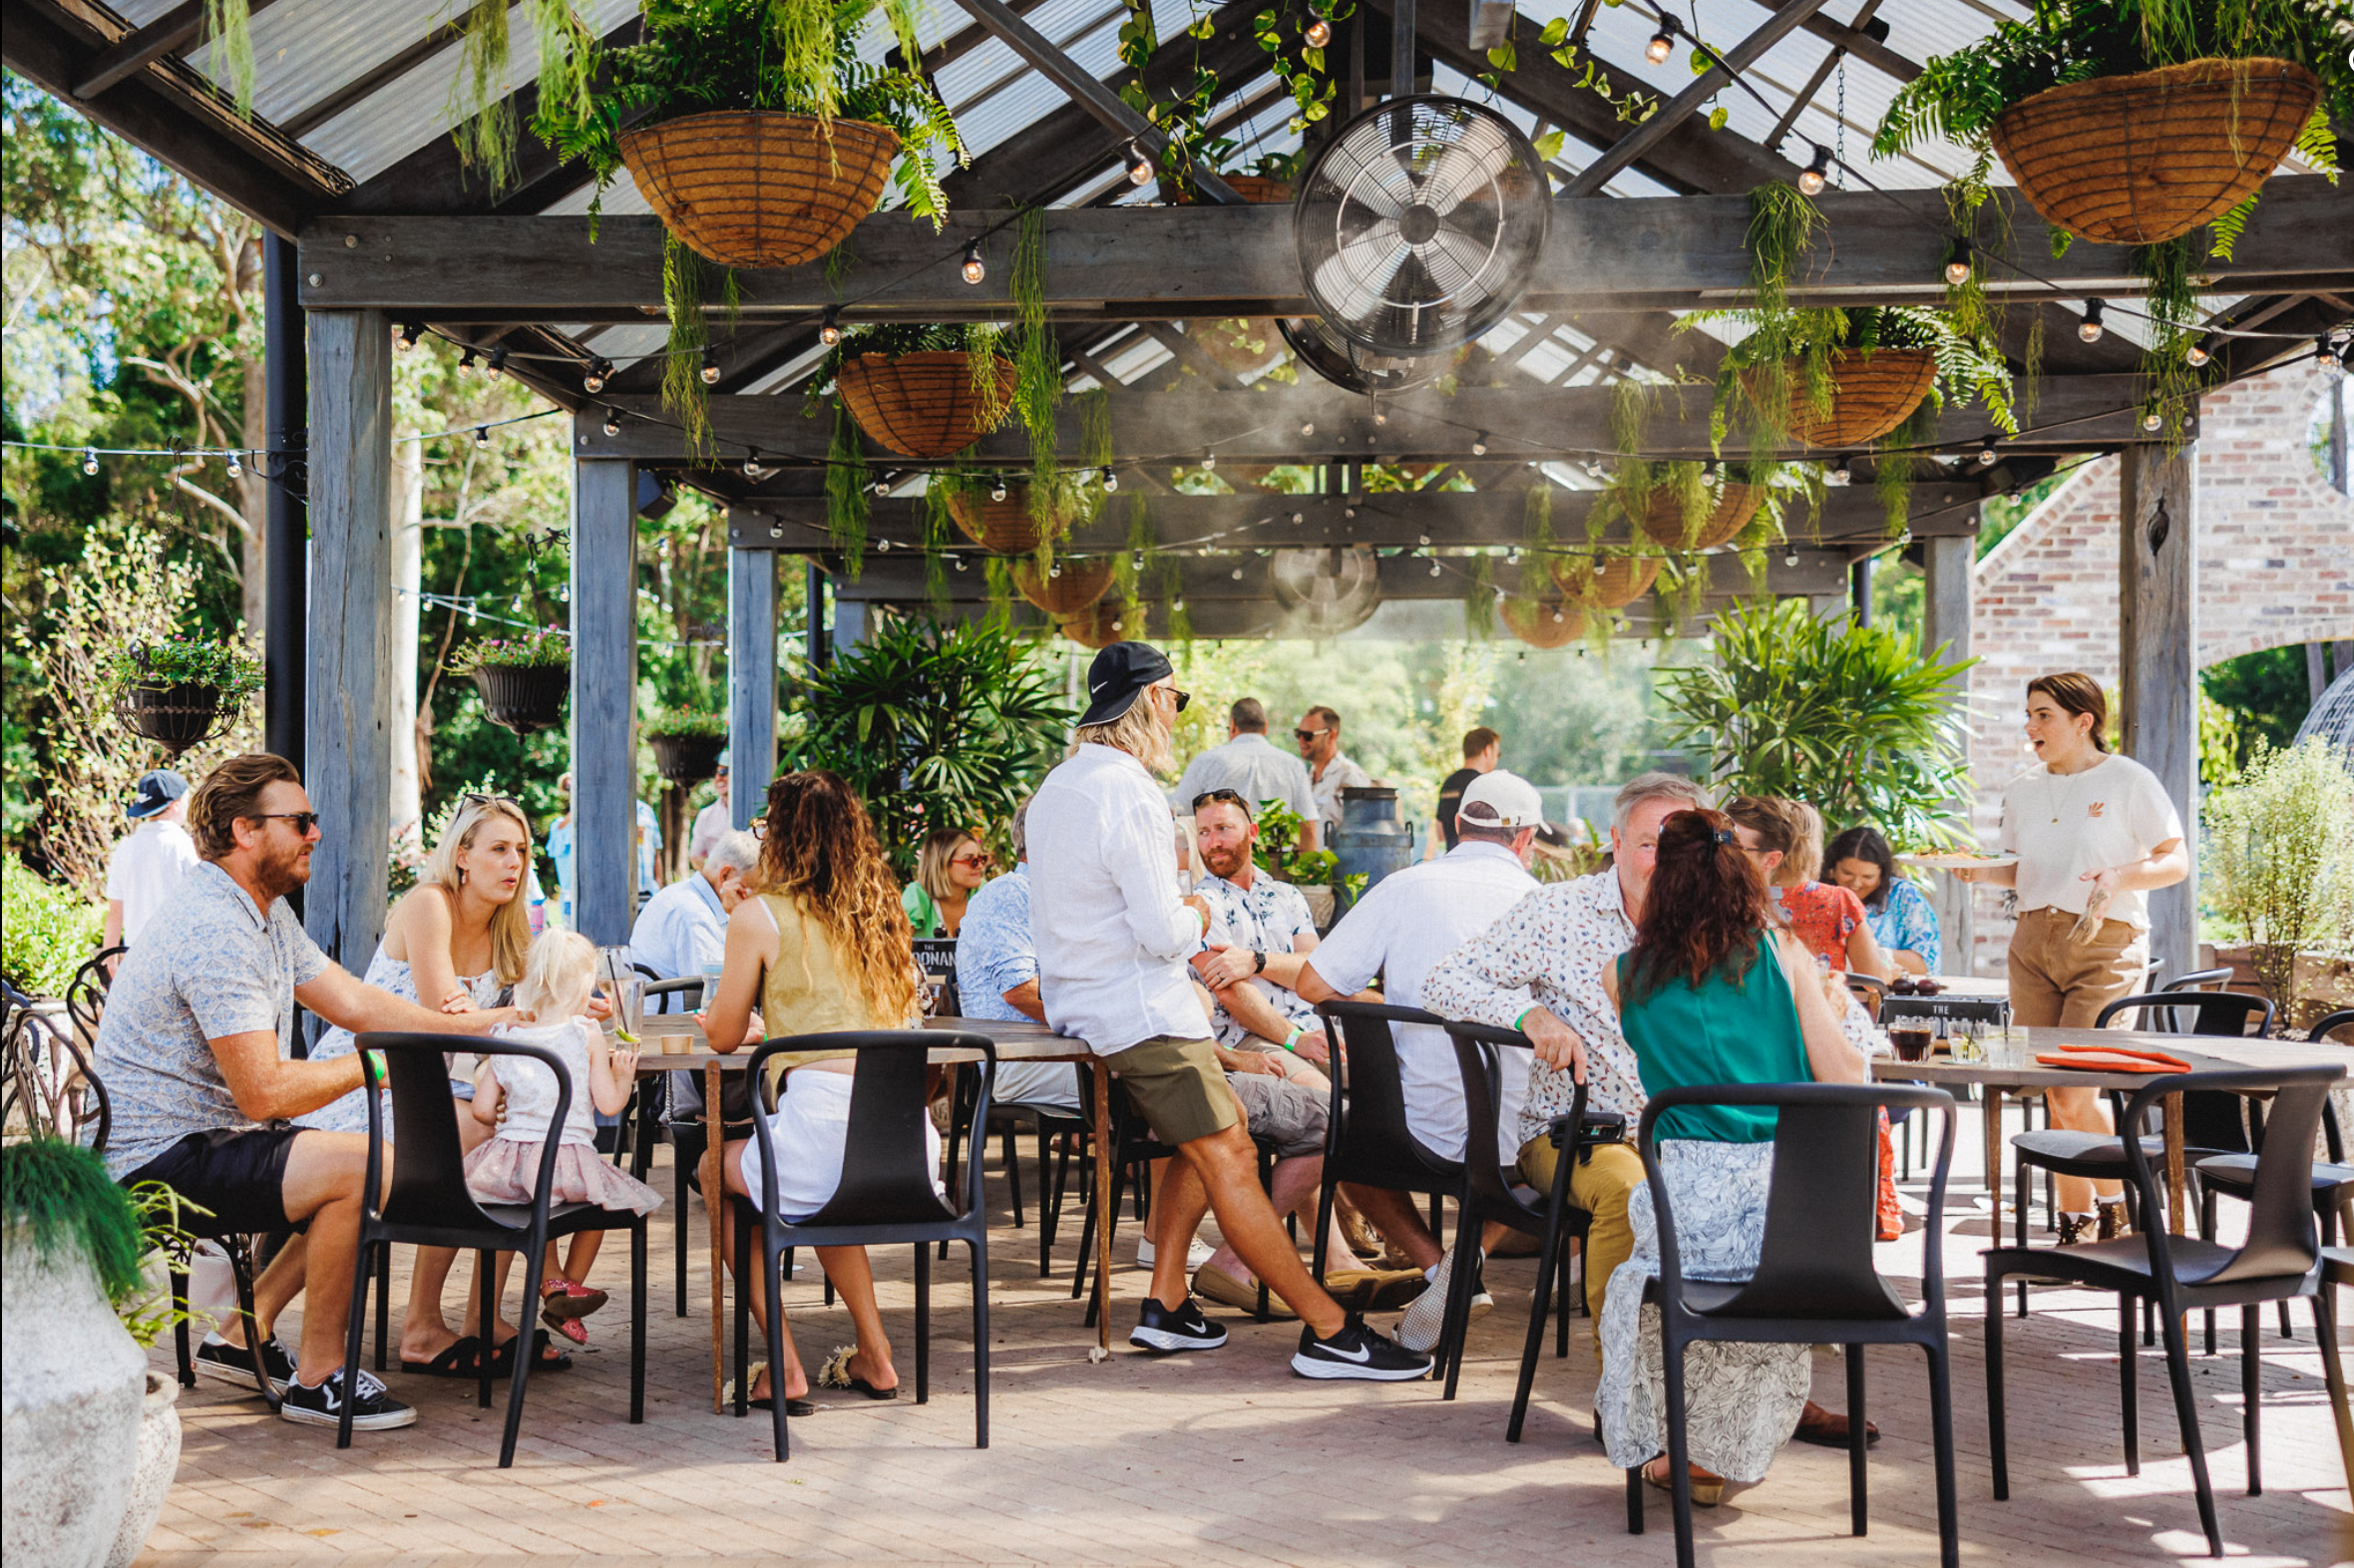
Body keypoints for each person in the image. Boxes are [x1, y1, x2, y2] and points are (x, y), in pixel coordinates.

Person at [1028, 641, 1429, 1377]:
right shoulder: (1132, 791)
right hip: (1140, 1014)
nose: (1176, 715)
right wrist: (1197, 915)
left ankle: (1167, 1304)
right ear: (1150, 701)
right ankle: (1331, 1331)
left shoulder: (1062, 785)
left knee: (1222, 1133)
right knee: (1231, 1154)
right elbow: (1161, 930)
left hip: (1088, 1004)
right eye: (1175, 700)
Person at [93, 753, 513, 1430]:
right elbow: (264, 1093)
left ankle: (242, 1339)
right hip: (157, 1160)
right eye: (301, 821)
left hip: (205, 1138)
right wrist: (373, 1068)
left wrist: (473, 1023)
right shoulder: (217, 926)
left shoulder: (260, 911)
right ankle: (318, 1380)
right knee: (359, 1164)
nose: (317, 833)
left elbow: (353, 1000)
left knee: (354, 1157)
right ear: (245, 832)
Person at [1593, 806, 1869, 1506]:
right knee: (1754, 1295)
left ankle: (1683, 1450)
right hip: (1791, 1211)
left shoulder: (1621, 975)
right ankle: (1730, 1452)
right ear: (1742, 876)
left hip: (1680, 1201)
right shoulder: (1782, 953)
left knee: (1655, 1293)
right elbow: (1846, 1082)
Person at [294, 791, 570, 1378]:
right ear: (462, 856)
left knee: (518, 1126)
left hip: (440, 1090)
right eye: (498, 849)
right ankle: (422, 1325)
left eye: (521, 850)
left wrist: (568, 1006)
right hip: (367, 1085)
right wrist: (513, 1016)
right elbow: (441, 1020)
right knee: (471, 1130)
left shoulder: (508, 926)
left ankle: (481, 1318)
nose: (514, 862)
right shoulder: (429, 904)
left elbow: (508, 1015)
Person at [702, 769, 929, 1412]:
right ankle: (875, 1355)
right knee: (823, 1188)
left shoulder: (757, 915)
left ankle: (786, 1365)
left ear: (783, 837)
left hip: (822, 1128)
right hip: (907, 1145)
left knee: (714, 1170)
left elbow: (720, 1036)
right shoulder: (879, 914)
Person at [1297, 769, 1545, 1346]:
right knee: (1548, 1149)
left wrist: (1382, 1004)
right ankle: (1462, 1268)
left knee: (1351, 1143)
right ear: (1528, 839)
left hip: (1412, 1135)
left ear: (1456, 825)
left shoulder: (1406, 886)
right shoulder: (1545, 905)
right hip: (1519, 1147)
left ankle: (1442, 1269)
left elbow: (1312, 985)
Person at [1953, 671, 2187, 1244]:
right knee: (2053, 1088)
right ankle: (2082, 1220)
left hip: (2104, 941)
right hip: (2032, 941)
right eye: (2028, 714)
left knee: (2073, 1090)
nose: (2030, 726)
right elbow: (2018, 867)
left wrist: (2121, 875)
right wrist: (1974, 870)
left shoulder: (2129, 780)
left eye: (2043, 715)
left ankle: (2116, 1203)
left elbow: (2174, 860)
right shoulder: (2024, 788)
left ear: (2083, 722)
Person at [465, 931, 662, 1347]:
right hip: (567, 1160)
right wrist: (624, 1075)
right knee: (614, 1199)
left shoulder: (506, 1037)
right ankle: (568, 1286)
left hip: (510, 1166)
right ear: (584, 986)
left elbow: (482, 1111)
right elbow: (609, 1105)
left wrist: (508, 1111)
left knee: (539, 1200)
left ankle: (558, 1290)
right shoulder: (584, 1032)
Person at [629, 828, 763, 1161]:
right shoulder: (694, 915)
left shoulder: (684, 896)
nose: (755, 902)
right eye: (752, 892)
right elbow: (716, 996)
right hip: (675, 1069)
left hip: (673, 1045)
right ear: (726, 876)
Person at [1187, 790, 1336, 1087]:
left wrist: (1255, 962)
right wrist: (1295, 1039)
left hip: (1313, 1027)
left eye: (1223, 829)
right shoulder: (1201, 905)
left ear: (1252, 832)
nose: (1212, 842)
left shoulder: (1287, 895)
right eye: (1203, 832)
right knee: (1328, 1102)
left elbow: (1315, 973)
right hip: (1250, 1037)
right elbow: (1230, 992)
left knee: (1388, 1089)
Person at [1724, 796, 1892, 981]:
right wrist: (1884, 958)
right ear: (1813, 846)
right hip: (1824, 1003)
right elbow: (1872, 979)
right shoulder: (1838, 901)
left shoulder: (1738, 897)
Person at [1170, 697, 1320, 852]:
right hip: (1278, 867)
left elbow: (1178, 815)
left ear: (1233, 725)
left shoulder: (1206, 761)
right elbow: (1308, 826)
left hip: (1220, 864)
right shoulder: (1293, 765)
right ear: (1265, 727)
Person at [104, 768, 199, 957]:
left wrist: (109, 959)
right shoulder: (186, 847)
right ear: (175, 805)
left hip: (136, 958)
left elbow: (115, 912)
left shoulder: (125, 849)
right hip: (178, 957)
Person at [547, 773, 664, 925]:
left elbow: (656, 851)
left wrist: (658, 884)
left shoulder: (645, 811)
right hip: (586, 898)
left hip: (647, 892)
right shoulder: (565, 824)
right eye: (570, 788)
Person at [1827, 825, 1940, 977]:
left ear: (1882, 874)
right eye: (1847, 873)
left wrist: (1879, 954)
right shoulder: (1816, 895)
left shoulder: (1903, 896)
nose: (1856, 883)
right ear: (1832, 867)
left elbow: (1927, 964)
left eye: (1867, 877)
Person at [1296, 704, 1373, 840]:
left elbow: (1366, 830)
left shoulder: (1349, 775)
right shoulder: (1306, 777)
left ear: (1331, 735)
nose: (1301, 740)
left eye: (1308, 736)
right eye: (1298, 734)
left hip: (1339, 860)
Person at [903, 826, 992, 938]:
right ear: (942, 865)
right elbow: (898, 949)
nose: (980, 866)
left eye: (981, 859)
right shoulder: (917, 895)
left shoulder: (983, 892)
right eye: (970, 860)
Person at [1431, 727, 1501, 855]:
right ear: (1487, 751)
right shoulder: (1484, 784)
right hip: (1477, 860)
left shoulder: (1448, 783)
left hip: (1451, 857)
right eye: (1498, 754)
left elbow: (1440, 834)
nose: (1497, 760)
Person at [686, 751, 732, 870]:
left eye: (723, 772)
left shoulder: (757, 812)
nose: (718, 778)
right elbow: (695, 857)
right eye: (715, 774)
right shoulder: (706, 815)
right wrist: (719, 877)